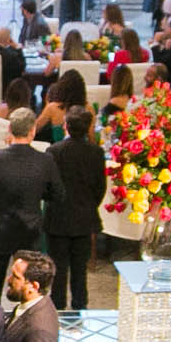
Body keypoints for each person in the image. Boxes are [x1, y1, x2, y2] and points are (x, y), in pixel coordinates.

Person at [0, 108, 67, 301]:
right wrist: (39, 192)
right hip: (29, 232)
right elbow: (59, 195)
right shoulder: (45, 160)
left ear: (9, 129)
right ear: (33, 131)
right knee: (29, 291)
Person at [45, 107, 106, 309]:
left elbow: (48, 186)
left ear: (66, 126)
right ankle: (80, 308)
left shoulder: (54, 151)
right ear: (88, 128)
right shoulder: (96, 153)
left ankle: (57, 308)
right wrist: (89, 205)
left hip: (58, 218)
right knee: (80, 269)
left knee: (58, 268)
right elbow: (100, 187)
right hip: (84, 218)